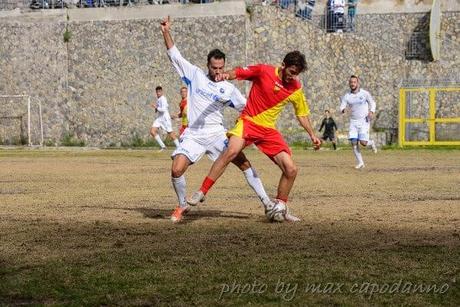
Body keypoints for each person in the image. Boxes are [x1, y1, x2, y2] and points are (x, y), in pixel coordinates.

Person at [160, 16, 274, 223]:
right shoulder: (195, 75)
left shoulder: (228, 89)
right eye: (215, 68)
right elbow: (174, 55)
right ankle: (182, 204)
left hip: (216, 134)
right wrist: (166, 31)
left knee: (244, 164)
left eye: (221, 68)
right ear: (208, 65)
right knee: (176, 169)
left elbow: (248, 107)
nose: (218, 72)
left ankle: (267, 203)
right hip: (194, 135)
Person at [188, 50, 321, 222]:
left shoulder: (295, 88)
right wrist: (226, 75)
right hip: (248, 122)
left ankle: (280, 206)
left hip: (268, 130)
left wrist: (312, 135)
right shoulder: (263, 71)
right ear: (283, 65)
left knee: (291, 169)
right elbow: (239, 72)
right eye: (291, 72)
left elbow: (301, 114)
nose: (293, 77)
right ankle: (202, 192)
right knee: (231, 151)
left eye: (296, 74)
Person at [340, 75, 377, 169]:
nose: (352, 84)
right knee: (353, 142)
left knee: (363, 143)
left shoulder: (364, 93)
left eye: (354, 82)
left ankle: (371, 143)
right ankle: (361, 163)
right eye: (351, 82)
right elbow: (342, 105)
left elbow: (372, 103)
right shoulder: (347, 96)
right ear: (349, 84)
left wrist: (371, 111)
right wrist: (343, 110)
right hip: (353, 122)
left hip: (364, 121)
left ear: (358, 83)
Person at [150, 86, 180, 151]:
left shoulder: (163, 99)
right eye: (157, 92)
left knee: (170, 133)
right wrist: (156, 108)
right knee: (152, 131)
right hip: (160, 118)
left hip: (165, 118)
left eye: (159, 92)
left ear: (162, 92)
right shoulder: (159, 99)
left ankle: (179, 147)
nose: (158, 93)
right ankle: (163, 147)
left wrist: (156, 107)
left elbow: (163, 109)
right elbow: (159, 108)